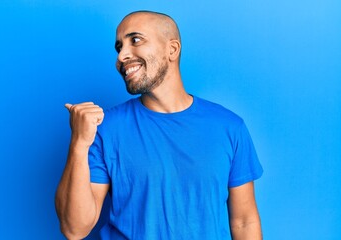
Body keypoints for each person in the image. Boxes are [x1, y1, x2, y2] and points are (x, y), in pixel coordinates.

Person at [55, 10, 263, 240]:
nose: (121, 56)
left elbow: (244, 221)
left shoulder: (230, 127)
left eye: (135, 40)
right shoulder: (104, 129)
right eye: (119, 47)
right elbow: (74, 229)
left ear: (172, 49)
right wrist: (79, 142)